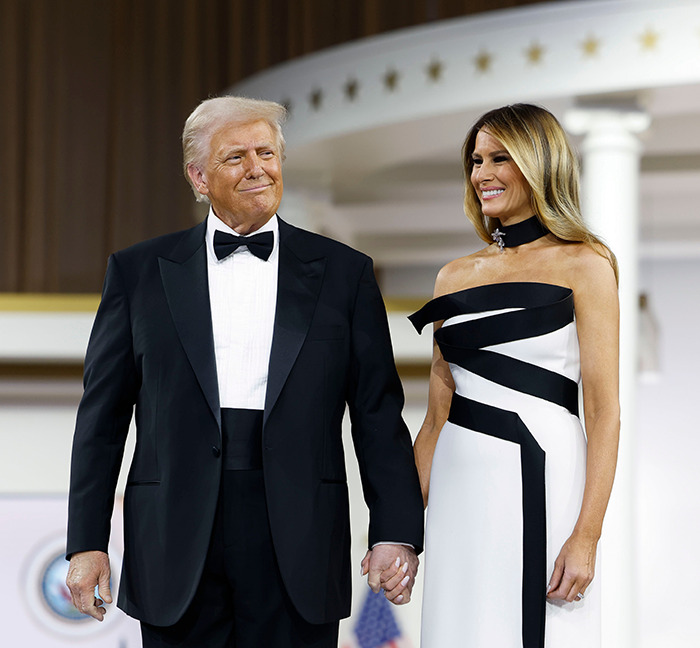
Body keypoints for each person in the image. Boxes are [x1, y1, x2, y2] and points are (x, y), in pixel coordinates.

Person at [65, 96, 424, 648]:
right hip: (176, 537)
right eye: (236, 156)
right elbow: (102, 418)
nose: (258, 168)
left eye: (267, 152)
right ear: (198, 176)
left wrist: (395, 530)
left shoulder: (344, 273)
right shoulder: (137, 273)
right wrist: (86, 542)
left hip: (300, 532)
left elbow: (377, 413)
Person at [410, 104, 620, 647]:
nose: (483, 173)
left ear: (539, 163)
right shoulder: (452, 276)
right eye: (476, 160)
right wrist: (402, 533)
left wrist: (587, 536)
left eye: (500, 158)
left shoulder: (587, 264)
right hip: (459, 491)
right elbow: (435, 419)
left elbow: (603, 411)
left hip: (544, 478)